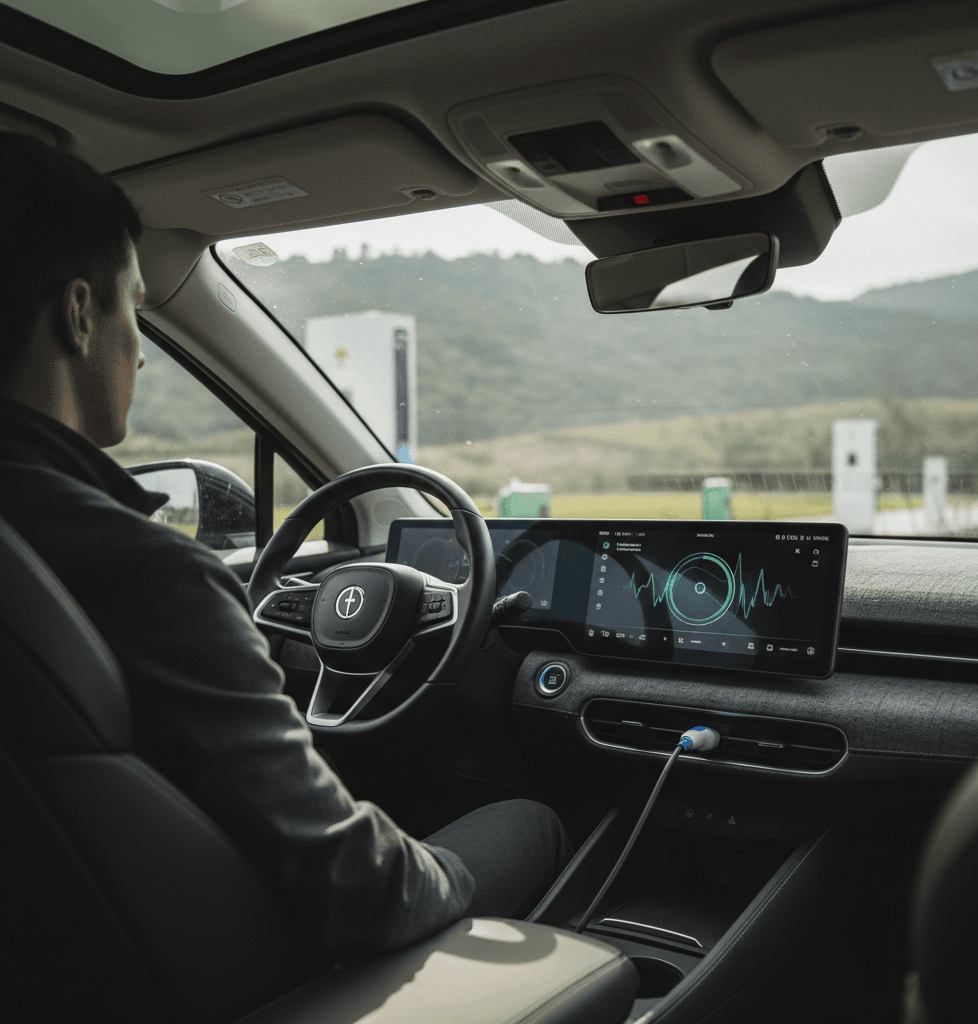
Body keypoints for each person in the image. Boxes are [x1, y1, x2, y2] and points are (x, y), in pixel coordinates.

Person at [0, 130, 573, 961]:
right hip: (224, 974)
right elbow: (364, 892)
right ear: (80, 315)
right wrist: (433, 871)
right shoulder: (145, 574)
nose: (143, 354)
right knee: (532, 821)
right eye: (134, 302)